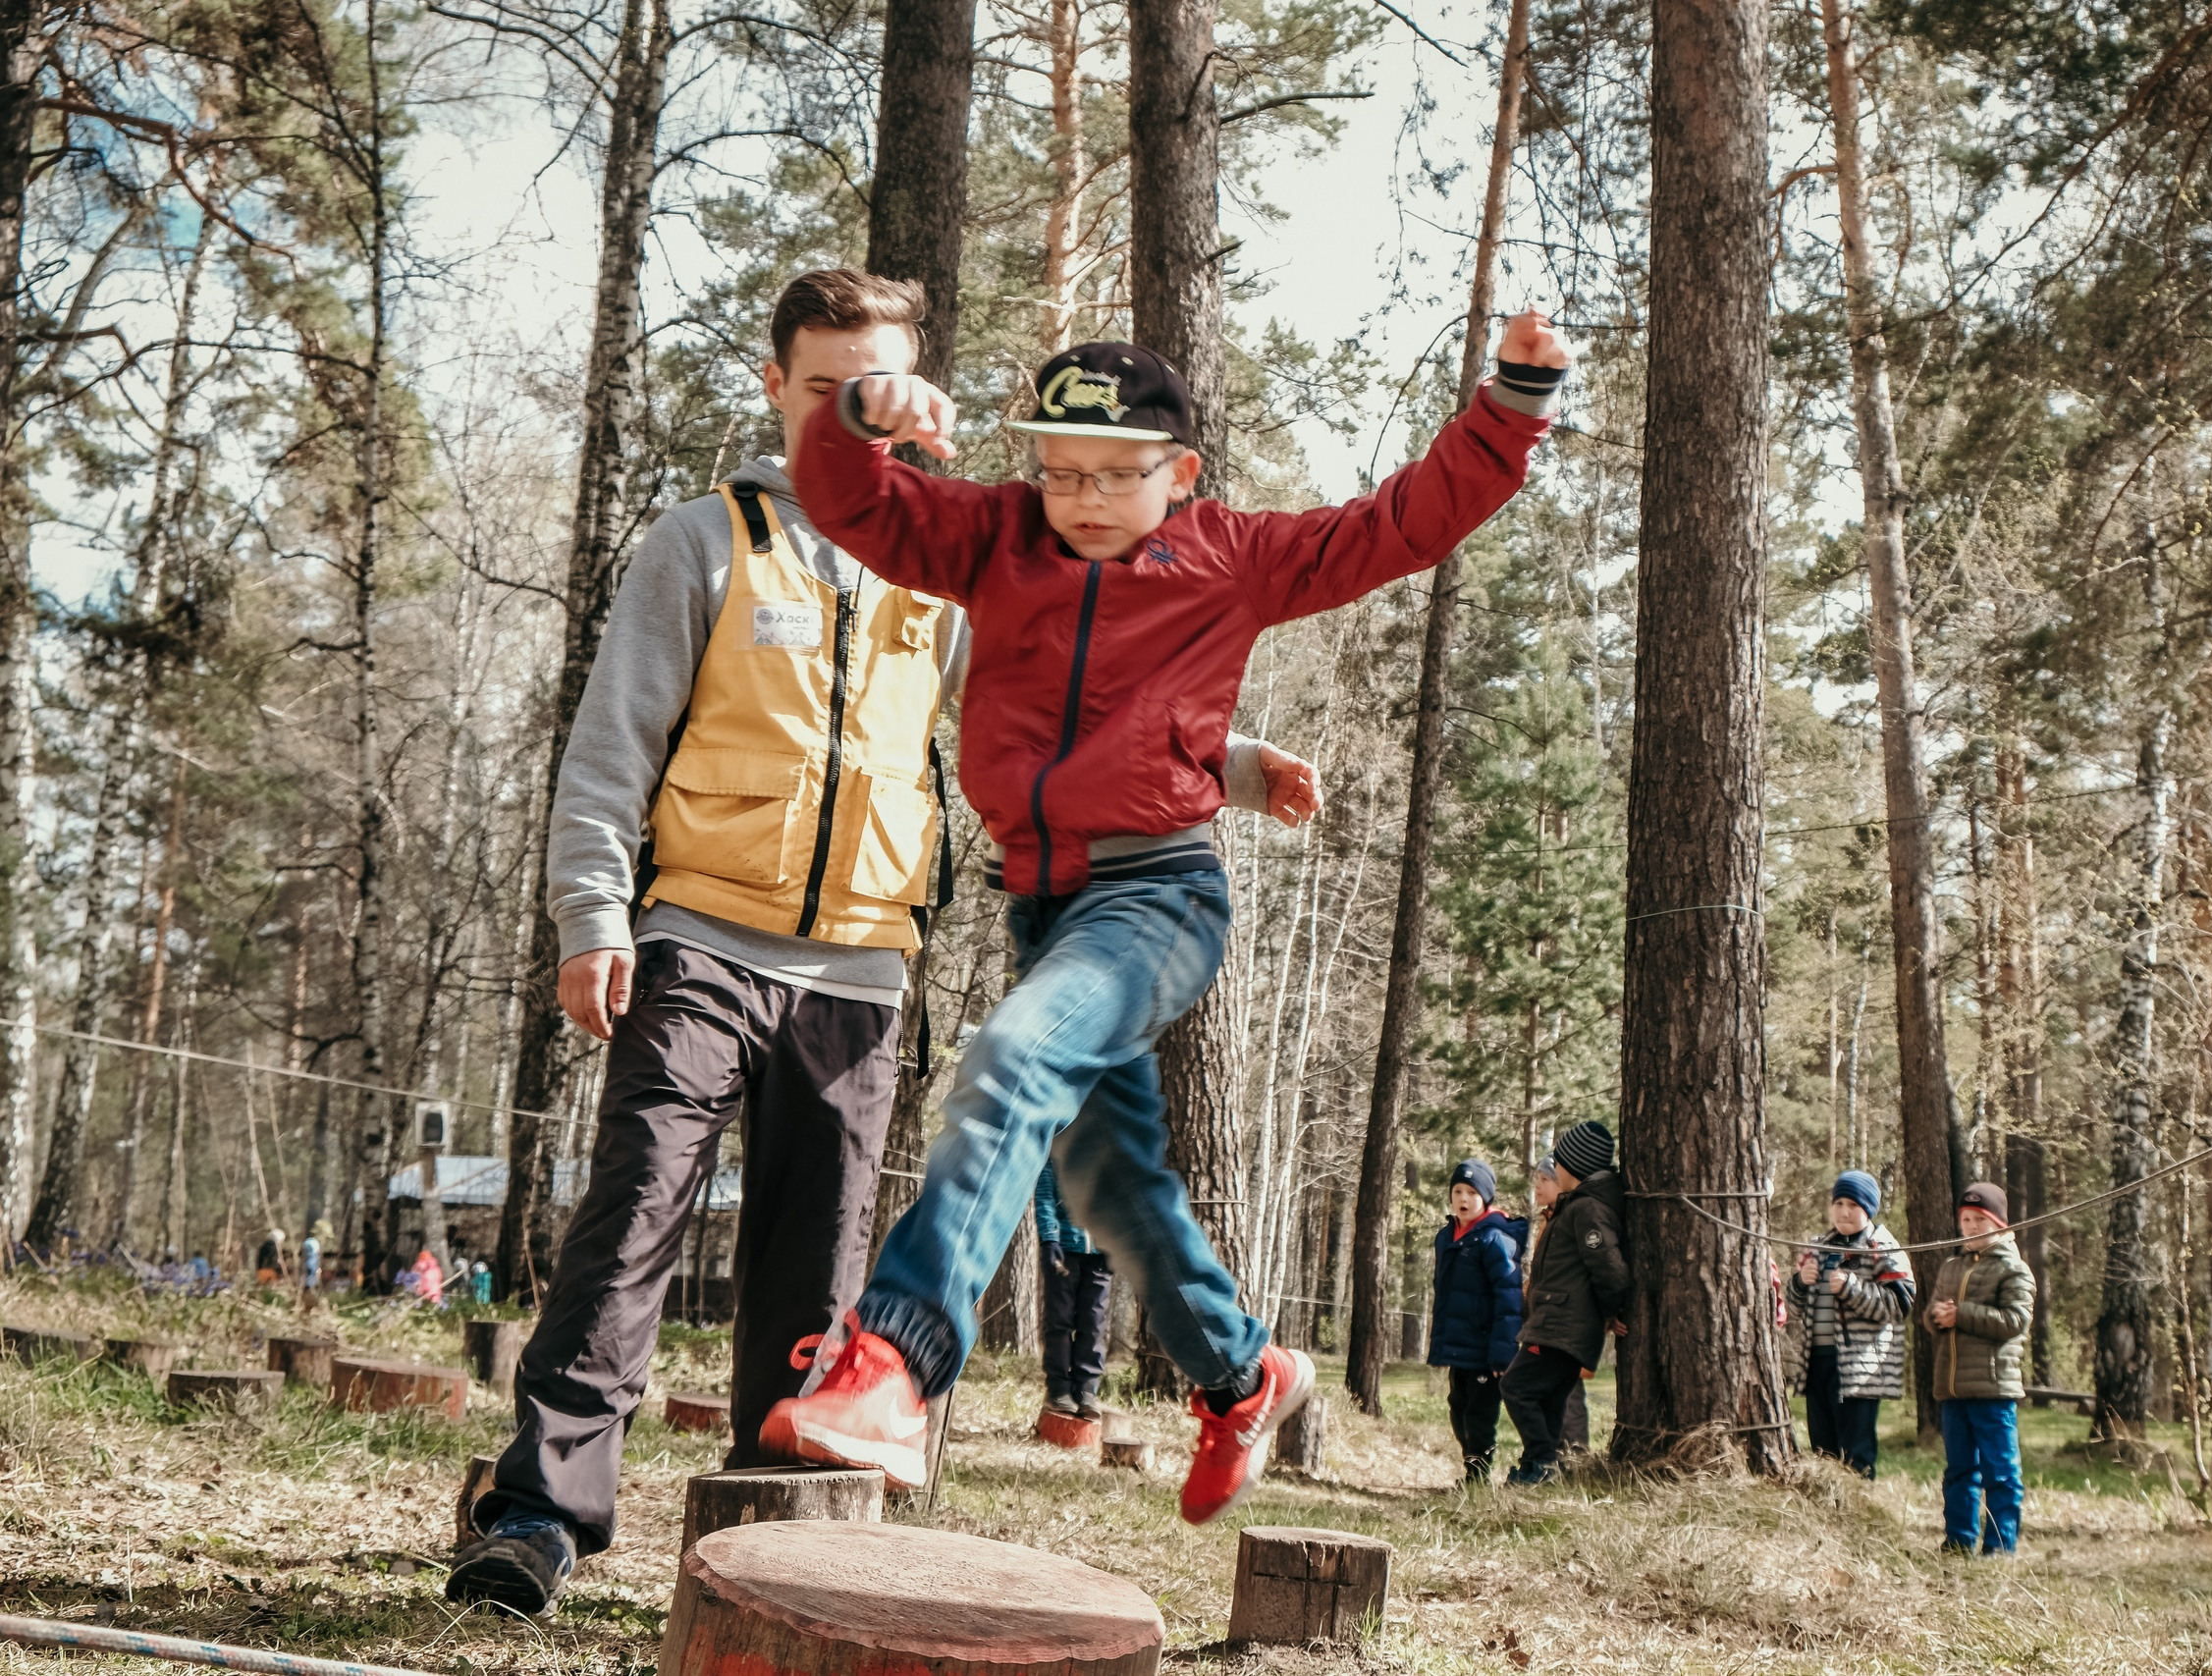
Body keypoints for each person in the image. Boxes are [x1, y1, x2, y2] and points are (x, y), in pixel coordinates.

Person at [451, 267, 1321, 1615]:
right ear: (781, 392)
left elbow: (1069, 706)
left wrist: (1242, 765)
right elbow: (612, 739)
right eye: (828, 389)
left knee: (817, 1267)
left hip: (863, 964)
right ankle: (538, 1515)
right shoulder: (709, 539)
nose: (861, 411)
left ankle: (777, 1542)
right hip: (698, 937)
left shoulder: (960, 571)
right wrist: (592, 910)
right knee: (631, 1222)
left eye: (885, 386)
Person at [758, 314, 1566, 1526]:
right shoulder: (993, 539)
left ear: (1178, 472)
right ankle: (1245, 1376)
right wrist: (858, 417)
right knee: (1111, 1186)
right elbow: (856, 504)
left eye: (1114, 476)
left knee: (1011, 1063)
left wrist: (1508, 406)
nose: (1080, 500)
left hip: (1159, 896)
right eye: (1058, 471)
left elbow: (1397, 524)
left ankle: (895, 1362)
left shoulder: (1230, 555)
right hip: (1045, 909)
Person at [1499, 1119, 1624, 1486]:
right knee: (1550, 1399)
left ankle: (1541, 1462)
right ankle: (1542, 1465)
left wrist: (1611, 1310)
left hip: (1562, 1326)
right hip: (1558, 1322)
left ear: (1576, 1168)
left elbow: (1610, 1269)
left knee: (1516, 1387)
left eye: (1560, 1164)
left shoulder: (1587, 1210)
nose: (1555, 1169)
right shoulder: (1576, 1206)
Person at [1926, 1181, 2035, 1556]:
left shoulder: (2013, 1269)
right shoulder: (1952, 1266)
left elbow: (2015, 1321)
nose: (1970, 1227)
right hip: (1953, 1389)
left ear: (1999, 1224)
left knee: (2001, 1475)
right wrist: (1937, 1317)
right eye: (1965, 1220)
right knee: (1959, 1472)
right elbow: (1932, 1315)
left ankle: (1999, 1548)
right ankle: (1958, 1541)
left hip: (1993, 1389)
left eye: (1979, 1220)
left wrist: (1962, 1314)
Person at [1785, 1169, 1913, 1479]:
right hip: (1816, 1363)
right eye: (1839, 1203)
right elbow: (1792, 1306)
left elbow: (1899, 1305)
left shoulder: (1882, 1247)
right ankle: (1827, 1511)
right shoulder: (1817, 1247)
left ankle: (1858, 1507)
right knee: (1822, 1447)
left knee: (1856, 1450)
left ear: (1868, 1209)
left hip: (1861, 1372)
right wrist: (1799, 1283)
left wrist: (1851, 1288)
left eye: (1853, 1205)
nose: (1844, 1211)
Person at [1428, 1159, 1523, 1485]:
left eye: (1471, 1192)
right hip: (1459, 1347)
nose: (1463, 1198)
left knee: (1479, 1416)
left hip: (1485, 1349)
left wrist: (1503, 1352)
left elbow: (1509, 1298)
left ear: (1486, 1198)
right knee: (1458, 1408)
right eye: (1457, 1191)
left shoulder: (1494, 1238)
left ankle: (1478, 1477)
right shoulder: (1448, 1237)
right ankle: (1472, 1470)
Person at [1035, 1161, 1110, 1417]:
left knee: (1094, 1321)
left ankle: (1087, 1390)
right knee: (1060, 1320)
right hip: (1064, 1251)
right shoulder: (1055, 1156)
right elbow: (1044, 1197)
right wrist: (1049, 1238)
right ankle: (1058, 1389)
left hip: (1100, 1254)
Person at [1525, 1156, 1589, 1455]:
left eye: (1545, 1179)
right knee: (1551, 1390)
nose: (1537, 1185)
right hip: (1546, 1319)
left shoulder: (1573, 1218)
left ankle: (1575, 1455)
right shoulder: (1547, 1219)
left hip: (1567, 1322)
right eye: (1536, 1178)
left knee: (1570, 1392)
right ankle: (1555, 1454)